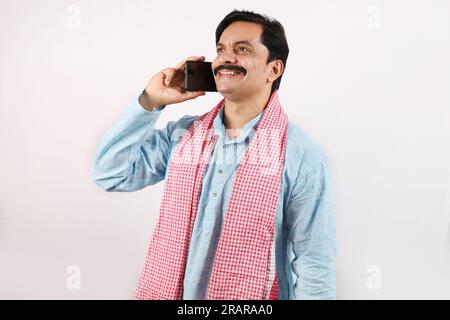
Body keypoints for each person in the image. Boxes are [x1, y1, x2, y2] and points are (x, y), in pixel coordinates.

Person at [93, 9, 336, 300]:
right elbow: (111, 173)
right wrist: (150, 101)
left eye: (241, 49)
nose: (225, 58)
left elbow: (314, 263)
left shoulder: (301, 155)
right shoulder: (182, 136)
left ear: (274, 69)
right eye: (221, 49)